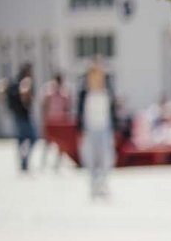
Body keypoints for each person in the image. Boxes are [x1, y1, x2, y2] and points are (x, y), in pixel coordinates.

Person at [76, 59, 117, 200]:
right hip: (90, 128)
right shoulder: (84, 92)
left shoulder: (107, 91)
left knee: (107, 158)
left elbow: (112, 111)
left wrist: (114, 127)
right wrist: (81, 129)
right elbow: (80, 112)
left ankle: (103, 182)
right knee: (91, 158)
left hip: (105, 128)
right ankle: (93, 184)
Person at [6, 62, 37, 172]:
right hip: (24, 115)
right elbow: (25, 95)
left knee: (22, 139)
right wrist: (27, 101)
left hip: (17, 115)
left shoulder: (13, 83)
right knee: (33, 138)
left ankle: (23, 159)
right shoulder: (25, 82)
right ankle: (24, 159)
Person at [40, 71, 72, 171]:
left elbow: (67, 107)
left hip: (60, 121)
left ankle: (57, 164)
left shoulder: (64, 92)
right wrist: (44, 120)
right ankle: (44, 163)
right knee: (47, 143)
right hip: (51, 120)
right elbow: (44, 106)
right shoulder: (49, 91)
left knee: (61, 144)